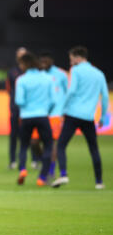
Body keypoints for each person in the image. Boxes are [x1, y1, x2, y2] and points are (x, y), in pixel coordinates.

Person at [52, 46, 109, 189]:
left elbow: (71, 91)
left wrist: (63, 109)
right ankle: (99, 182)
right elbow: (105, 97)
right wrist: (102, 117)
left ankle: (63, 174)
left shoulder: (76, 71)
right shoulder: (99, 74)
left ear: (78, 57)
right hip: (88, 117)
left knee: (61, 145)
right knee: (94, 149)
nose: (71, 63)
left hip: (72, 114)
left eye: (72, 59)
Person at [15, 52, 55, 186]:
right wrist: (45, 110)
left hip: (26, 117)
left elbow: (19, 100)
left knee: (24, 145)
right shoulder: (48, 78)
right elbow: (54, 100)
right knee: (48, 145)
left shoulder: (21, 79)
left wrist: (28, 108)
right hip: (43, 116)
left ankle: (22, 169)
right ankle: (42, 177)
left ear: (25, 64)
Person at [6, 47, 42, 170]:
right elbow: (9, 90)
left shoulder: (32, 72)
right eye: (19, 55)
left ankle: (35, 160)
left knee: (31, 136)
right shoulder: (12, 72)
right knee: (14, 136)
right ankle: (12, 161)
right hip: (16, 110)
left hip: (29, 111)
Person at [39, 51, 69, 180]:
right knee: (35, 142)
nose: (44, 63)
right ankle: (45, 163)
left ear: (51, 61)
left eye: (46, 61)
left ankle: (51, 170)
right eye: (42, 61)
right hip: (41, 113)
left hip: (56, 114)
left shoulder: (61, 75)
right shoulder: (40, 74)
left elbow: (67, 93)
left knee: (53, 143)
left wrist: (65, 111)